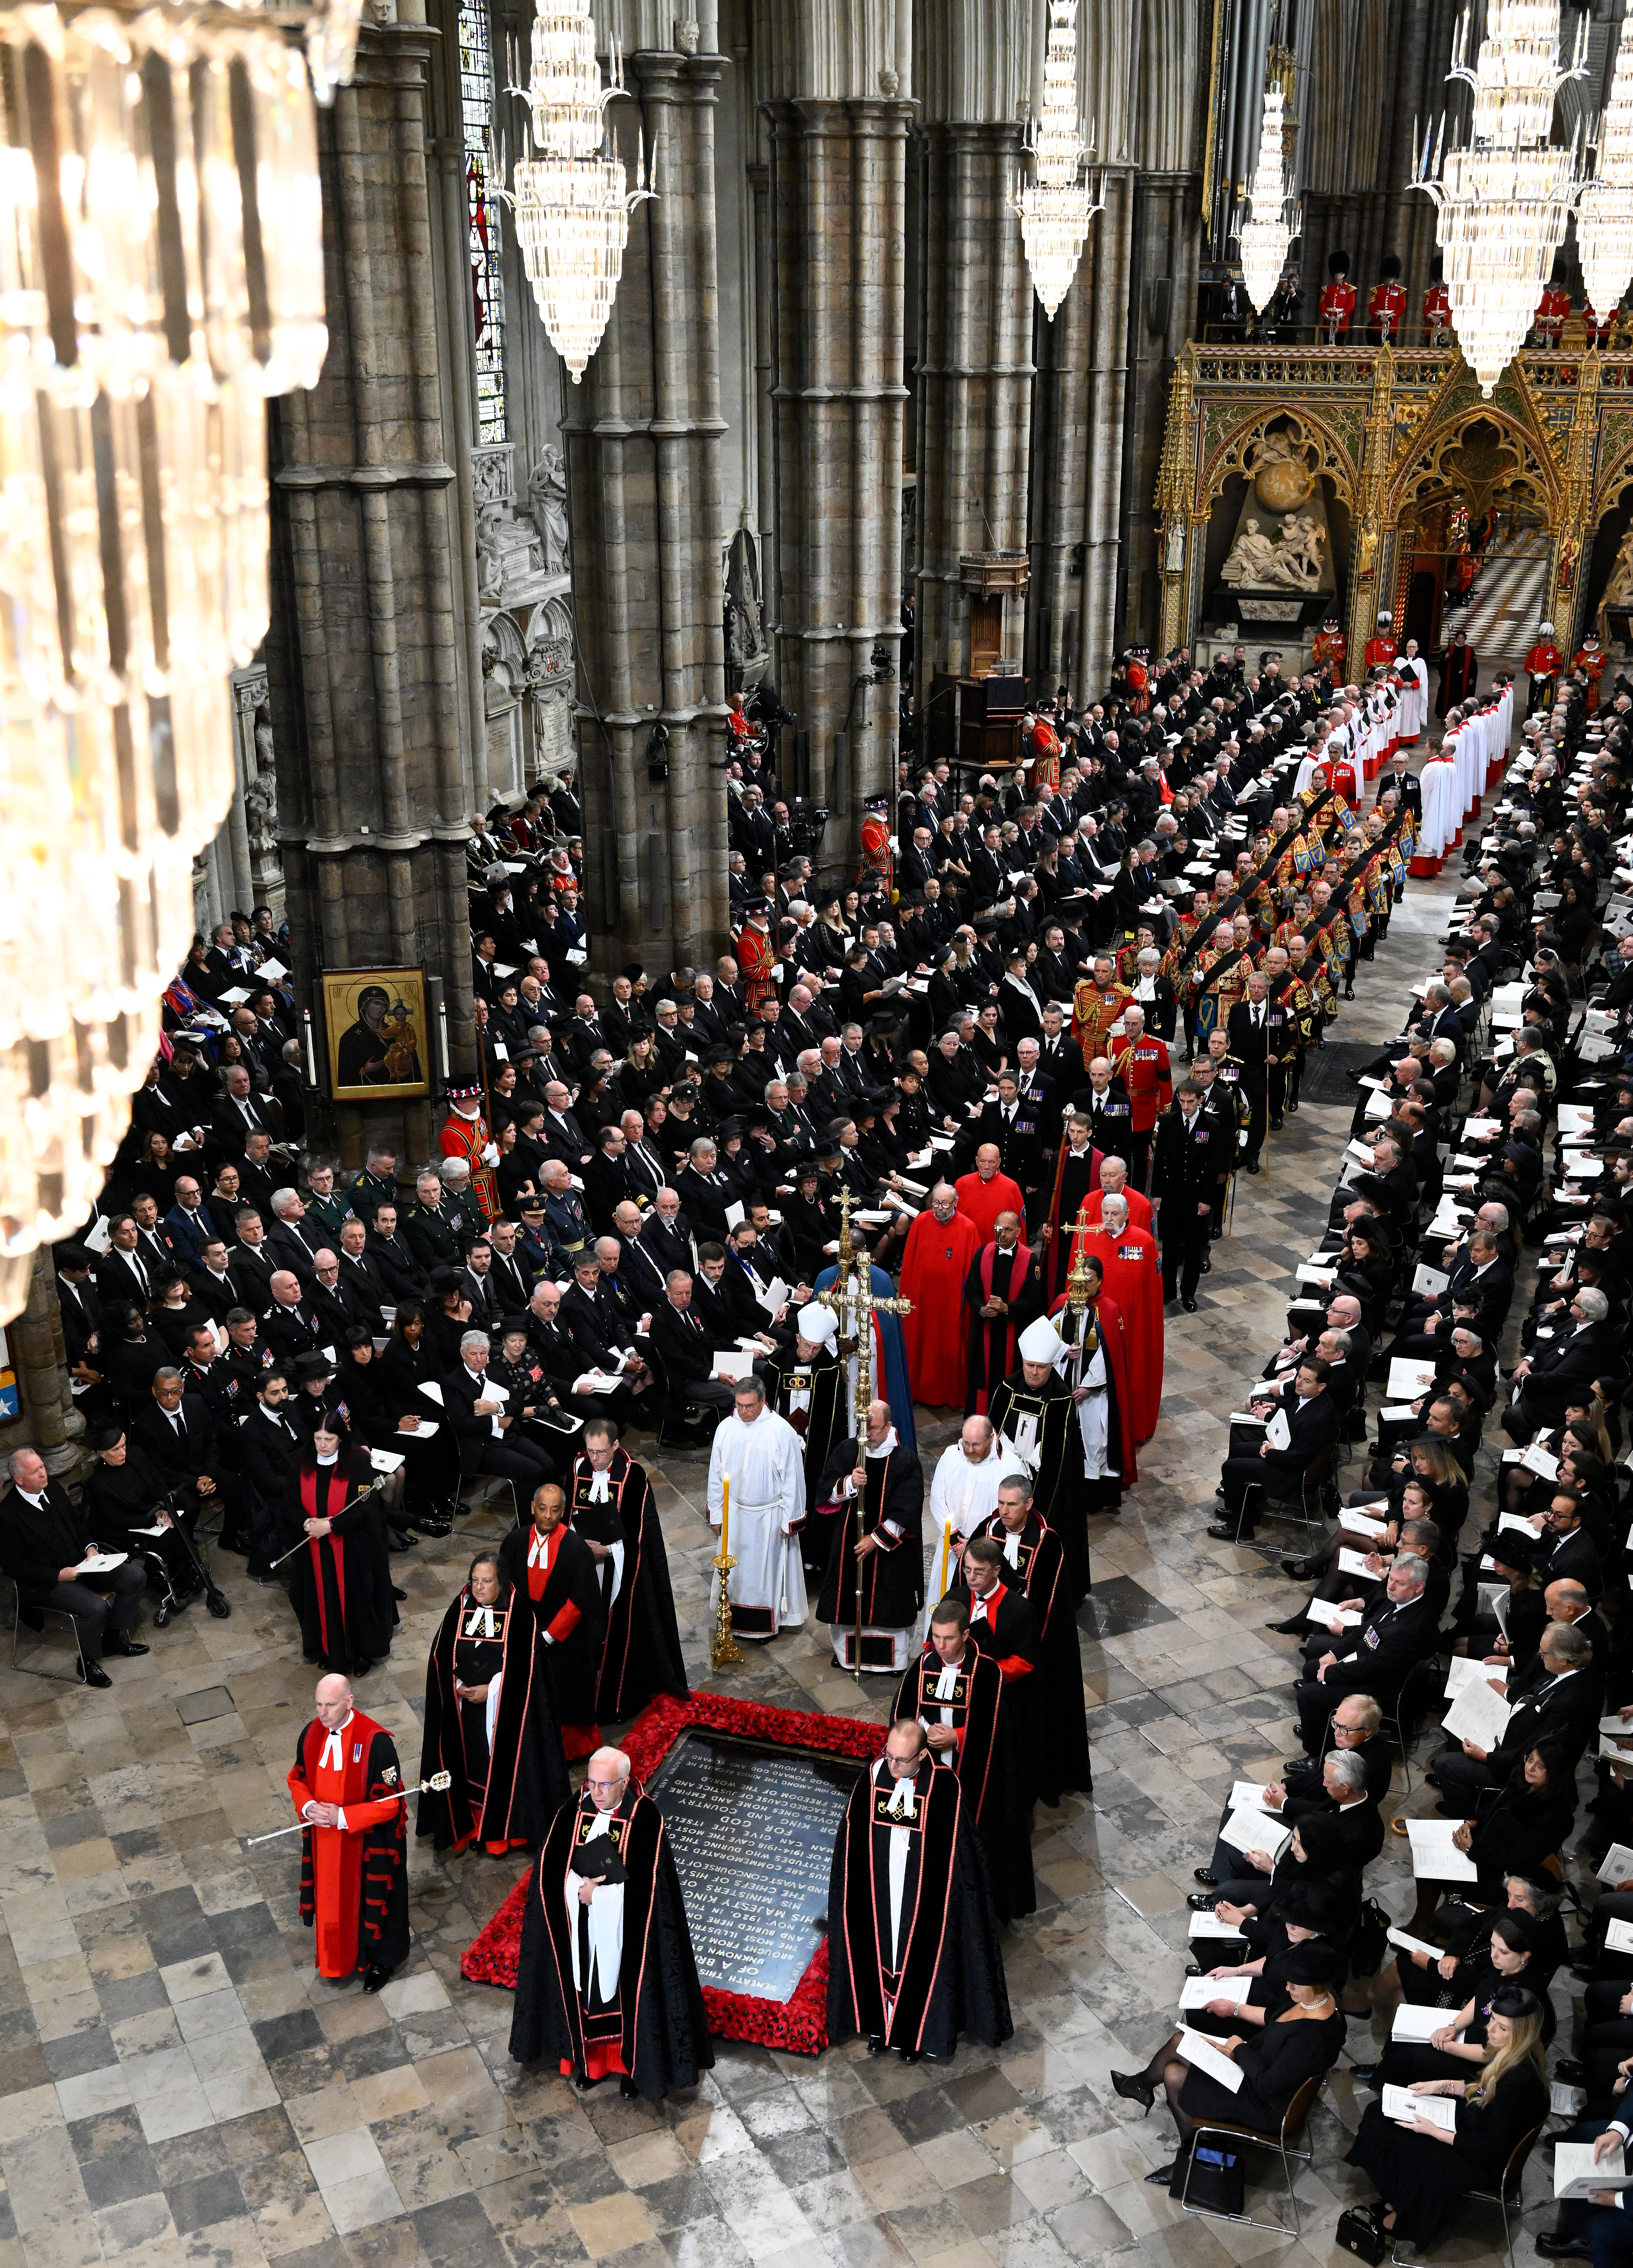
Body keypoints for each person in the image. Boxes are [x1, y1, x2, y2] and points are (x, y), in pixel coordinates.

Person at [508, 1744, 714, 2100]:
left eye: (604, 1785)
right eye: (590, 1783)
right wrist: (577, 1890)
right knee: (586, 1993)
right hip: (583, 1928)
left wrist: (599, 1896)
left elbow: (650, 1892)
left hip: (626, 1934)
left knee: (627, 1996)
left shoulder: (646, 1819)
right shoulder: (574, 1810)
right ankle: (592, 2065)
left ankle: (631, 2068)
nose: (595, 1792)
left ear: (624, 1783)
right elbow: (550, 1868)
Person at [825, 1717, 1013, 2063]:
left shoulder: (944, 1787)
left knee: (919, 1952)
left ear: (922, 1755)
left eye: (902, 1760)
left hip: (924, 1891)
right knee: (880, 1950)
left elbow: (961, 1854)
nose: (892, 1765)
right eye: (889, 1755)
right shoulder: (873, 1776)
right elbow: (851, 1836)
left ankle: (915, 2034)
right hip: (882, 1885)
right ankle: (880, 2026)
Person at [1119, 1943, 1346, 2194]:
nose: (1287, 1988)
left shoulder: (1311, 2037)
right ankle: (1182, 2139)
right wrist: (1233, 2049)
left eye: (1295, 1984)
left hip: (1266, 2104)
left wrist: (1238, 2049)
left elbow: (1268, 2084)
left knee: (1173, 2074)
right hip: (1257, 2071)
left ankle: (1189, 2153)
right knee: (1180, 2045)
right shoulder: (1320, 2001)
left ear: (1316, 1984)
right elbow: (1274, 2029)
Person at [1344, 1988, 1548, 2253]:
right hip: (1475, 2123)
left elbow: (1487, 2148)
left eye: (1502, 2028)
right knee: (1378, 2111)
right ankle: (1399, 2197)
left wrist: (1435, 2132)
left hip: (1481, 2157)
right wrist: (1443, 2086)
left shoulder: (1518, 2081)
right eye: (1493, 2021)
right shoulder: (1513, 2055)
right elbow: (1486, 2090)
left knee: (1394, 2134)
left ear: (1521, 2033)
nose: (1491, 2031)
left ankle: (1405, 2212)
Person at [417, 1551, 572, 1855]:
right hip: (464, 1712)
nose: (479, 1587)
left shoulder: (520, 1617)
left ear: (501, 1582)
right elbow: (440, 1654)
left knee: (496, 1768)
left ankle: (500, 1834)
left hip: (500, 1713)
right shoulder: (459, 1609)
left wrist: (492, 1690)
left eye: (486, 1581)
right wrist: (457, 1685)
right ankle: (468, 1826)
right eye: (475, 1580)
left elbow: (528, 1670)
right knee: (467, 1764)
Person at [893, 1595, 1036, 1922]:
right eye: (936, 1637)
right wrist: (920, 1736)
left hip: (973, 1778)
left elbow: (999, 1729)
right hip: (930, 1770)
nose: (941, 1646)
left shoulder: (986, 1673)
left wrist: (957, 1737)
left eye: (949, 1638)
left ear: (966, 1636)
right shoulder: (924, 1665)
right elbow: (903, 1715)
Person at [969, 1474, 1091, 1804]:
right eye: (1000, 1503)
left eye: (1011, 1505)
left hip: (1028, 1648)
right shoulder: (987, 1530)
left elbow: (1052, 1606)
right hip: (987, 1639)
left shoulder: (1046, 1542)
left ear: (1028, 1504)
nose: (1003, 1512)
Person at [285, 1673, 411, 1990]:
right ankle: (335, 1958)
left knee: (374, 1902)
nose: (323, 1712)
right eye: (318, 1704)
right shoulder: (312, 1734)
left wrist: (343, 1816)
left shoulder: (377, 1742)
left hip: (367, 1842)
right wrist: (307, 1806)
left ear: (349, 1702)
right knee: (332, 1900)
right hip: (326, 1841)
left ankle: (381, 1962)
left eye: (330, 1704)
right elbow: (297, 1777)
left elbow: (392, 1803)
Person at [568, 1421, 688, 1721]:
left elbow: (640, 1537)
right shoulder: (578, 1467)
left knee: (618, 1627)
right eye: (591, 1451)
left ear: (615, 1445)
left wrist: (608, 1551)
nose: (595, 1458)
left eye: (601, 1452)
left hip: (619, 1569)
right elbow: (568, 1514)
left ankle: (617, 1699)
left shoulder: (633, 1476)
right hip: (585, 1565)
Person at [0, 1446, 149, 1686]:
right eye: (36, 1471)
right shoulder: (8, 1515)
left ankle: (112, 1639)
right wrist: (58, 1575)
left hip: (81, 1565)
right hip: (49, 1581)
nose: (43, 1473)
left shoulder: (54, 1489)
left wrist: (90, 1547)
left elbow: (77, 1524)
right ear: (19, 1479)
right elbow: (14, 1566)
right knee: (96, 1608)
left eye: (43, 1467)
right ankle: (88, 1661)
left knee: (135, 1576)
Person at [813, 1398, 925, 1673]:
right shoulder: (848, 1450)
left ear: (888, 1426)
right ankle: (847, 1657)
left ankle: (892, 1662)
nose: (866, 1434)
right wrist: (849, 1484)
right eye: (861, 1426)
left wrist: (875, 1540)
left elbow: (908, 1509)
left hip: (891, 1552)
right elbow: (825, 1489)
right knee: (847, 1601)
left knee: (888, 1600)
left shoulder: (905, 1460)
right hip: (848, 1544)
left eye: (873, 1428)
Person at [498, 1484, 606, 1759]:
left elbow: (580, 1600)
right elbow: (505, 1588)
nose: (547, 1516)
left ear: (564, 1513)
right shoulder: (514, 1542)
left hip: (563, 1637)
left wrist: (548, 1636)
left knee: (564, 1694)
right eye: (542, 1508)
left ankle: (565, 1751)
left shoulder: (576, 1548)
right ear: (532, 1508)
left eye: (555, 1510)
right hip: (524, 1629)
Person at [285, 1417, 397, 1678]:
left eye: (329, 1440)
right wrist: (306, 1523)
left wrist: (333, 1526)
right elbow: (289, 1503)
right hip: (314, 1547)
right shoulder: (300, 1462)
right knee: (320, 1600)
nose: (322, 1446)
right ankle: (329, 1650)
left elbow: (366, 1508)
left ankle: (361, 1653)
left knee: (355, 1601)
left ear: (341, 1439)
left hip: (352, 1548)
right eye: (317, 1439)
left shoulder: (358, 1463)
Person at [705, 1376, 808, 1641]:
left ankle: (765, 1626)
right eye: (739, 1405)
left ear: (763, 1402)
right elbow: (716, 1475)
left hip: (769, 1517)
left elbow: (793, 1480)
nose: (743, 1412)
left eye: (749, 1406)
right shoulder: (726, 1428)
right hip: (735, 1515)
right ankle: (732, 1620)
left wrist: (790, 1520)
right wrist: (717, 1513)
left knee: (765, 1576)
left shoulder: (781, 1431)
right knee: (735, 1574)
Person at [1070, 1193, 1163, 1441]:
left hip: (1129, 1325)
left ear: (1126, 1215)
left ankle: (1127, 1428)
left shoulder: (1142, 1242)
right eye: (1105, 1214)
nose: (1109, 1219)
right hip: (1092, 1324)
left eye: (1115, 1214)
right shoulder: (1087, 1235)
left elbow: (1152, 1292)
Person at [986, 1315, 1077, 1538]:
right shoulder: (1007, 1389)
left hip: (1040, 1480)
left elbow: (1061, 1458)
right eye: (1030, 1365)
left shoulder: (1061, 1401)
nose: (1034, 1372)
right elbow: (992, 1433)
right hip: (1005, 1473)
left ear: (1051, 1366)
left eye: (1041, 1367)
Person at [899, 1185, 982, 1407]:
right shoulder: (920, 1222)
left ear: (956, 1202)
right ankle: (916, 1392)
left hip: (951, 1302)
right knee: (918, 1344)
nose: (939, 1209)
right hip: (921, 1298)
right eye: (935, 1203)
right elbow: (909, 1262)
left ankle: (947, 1396)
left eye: (945, 1204)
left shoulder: (968, 1228)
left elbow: (973, 1274)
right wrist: (906, 1296)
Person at [963, 1211, 1043, 1415]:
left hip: (1014, 1332)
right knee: (981, 1378)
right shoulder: (983, 1253)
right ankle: (978, 1420)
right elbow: (971, 1290)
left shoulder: (1029, 1260)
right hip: (984, 1331)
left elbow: (1034, 1300)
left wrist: (1007, 1308)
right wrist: (981, 1308)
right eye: (999, 1229)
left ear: (1018, 1231)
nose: (1003, 1234)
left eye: (1008, 1230)